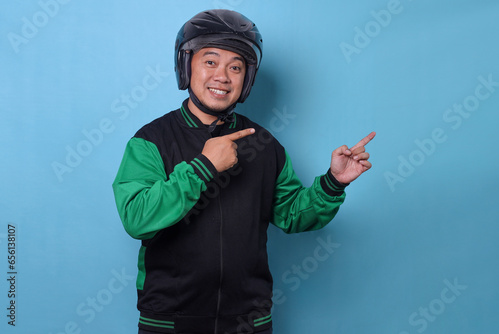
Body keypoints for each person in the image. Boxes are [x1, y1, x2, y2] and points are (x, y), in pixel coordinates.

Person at [112, 9, 375, 334]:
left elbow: (293, 214)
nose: (222, 76)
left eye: (235, 67)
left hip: (249, 322)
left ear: (247, 79)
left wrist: (333, 183)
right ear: (186, 65)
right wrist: (203, 167)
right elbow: (137, 218)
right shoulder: (150, 142)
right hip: (170, 321)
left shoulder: (264, 145)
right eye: (210, 61)